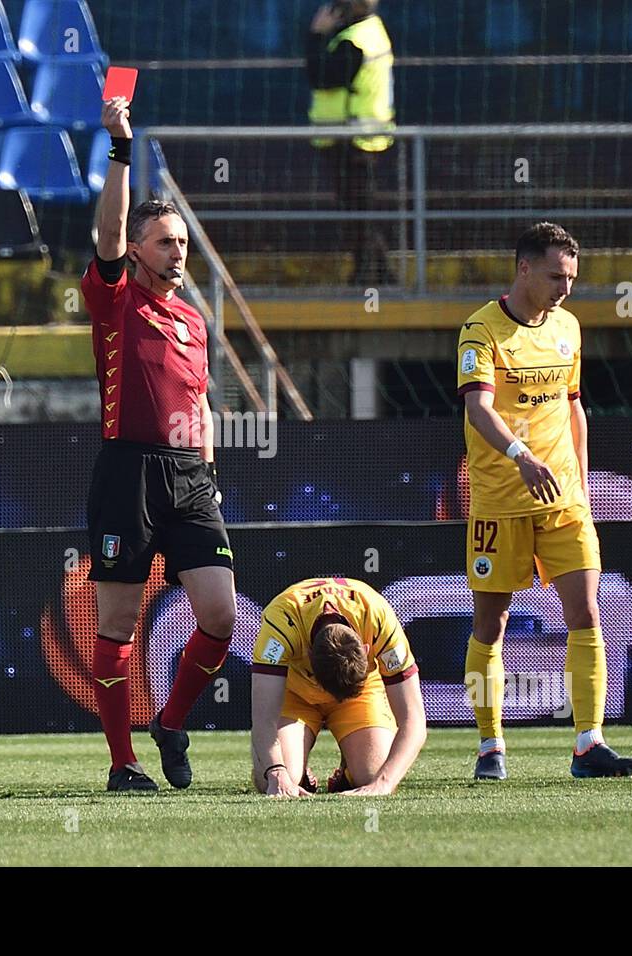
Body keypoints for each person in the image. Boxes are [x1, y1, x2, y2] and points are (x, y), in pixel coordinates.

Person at [81, 95, 236, 792]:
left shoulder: (194, 322)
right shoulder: (115, 300)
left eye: (182, 241)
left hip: (189, 477)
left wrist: (209, 468)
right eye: (166, 241)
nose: (178, 250)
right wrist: (119, 147)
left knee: (221, 616)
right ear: (138, 250)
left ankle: (171, 721)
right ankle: (122, 764)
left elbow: (199, 401)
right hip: (128, 473)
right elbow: (107, 232)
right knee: (118, 622)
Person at [457, 221, 632, 781]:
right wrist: (519, 454)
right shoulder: (481, 329)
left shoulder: (568, 327)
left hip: (563, 499)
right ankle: (491, 744)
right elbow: (478, 409)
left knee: (587, 611)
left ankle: (589, 742)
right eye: (556, 275)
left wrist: (583, 486)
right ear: (524, 269)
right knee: (491, 621)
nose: (566, 287)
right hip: (499, 499)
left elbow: (573, 407)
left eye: (572, 277)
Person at [251, 577, 425, 797]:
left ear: (365, 648)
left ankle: (348, 772)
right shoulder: (281, 622)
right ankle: (299, 771)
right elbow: (263, 718)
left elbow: (414, 720)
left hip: (362, 695)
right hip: (296, 693)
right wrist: (276, 773)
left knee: (373, 774)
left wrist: (384, 783)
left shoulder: (379, 619)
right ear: (309, 655)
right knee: (270, 779)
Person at [306, 0, 396, 287]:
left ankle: (371, 275)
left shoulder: (353, 42)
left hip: (351, 140)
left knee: (358, 211)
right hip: (359, 138)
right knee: (360, 209)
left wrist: (316, 35)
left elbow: (321, 78)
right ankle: (379, 274)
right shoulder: (370, 31)